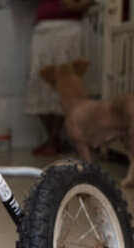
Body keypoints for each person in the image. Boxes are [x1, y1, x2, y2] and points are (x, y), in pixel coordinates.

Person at [24, 0, 93, 156]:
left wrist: (78, 5)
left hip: (68, 25)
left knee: (65, 81)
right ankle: (53, 138)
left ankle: (54, 140)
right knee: (38, 80)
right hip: (43, 26)